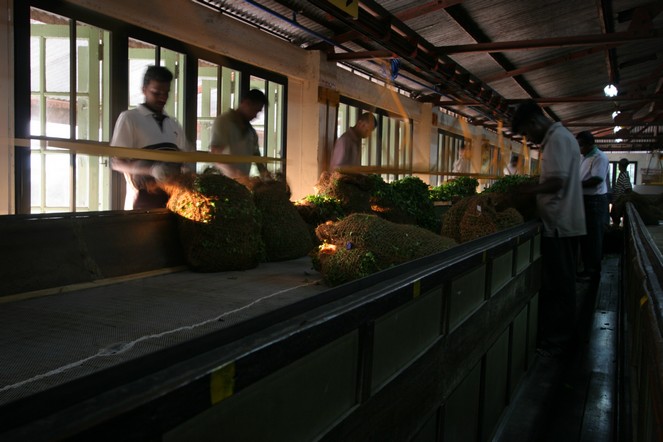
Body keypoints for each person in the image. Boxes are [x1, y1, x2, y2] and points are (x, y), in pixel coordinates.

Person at [511, 100, 586, 357]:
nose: (528, 138)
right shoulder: (560, 137)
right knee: (560, 283)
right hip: (561, 223)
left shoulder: (556, 139)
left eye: (526, 133)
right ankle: (559, 337)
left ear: (533, 123)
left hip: (560, 225)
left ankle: (559, 341)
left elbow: (556, 181)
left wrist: (526, 190)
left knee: (561, 285)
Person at [111, 66, 192, 210]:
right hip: (143, 201)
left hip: (173, 200)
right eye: (156, 93)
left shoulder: (173, 124)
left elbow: (186, 158)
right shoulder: (130, 118)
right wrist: (150, 170)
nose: (163, 97)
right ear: (144, 90)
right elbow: (117, 163)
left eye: (166, 93)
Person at [210, 89, 271, 179]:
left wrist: (266, 176)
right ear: (246, 103)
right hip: (221, 182)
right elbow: (216, 153)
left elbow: (257, 158)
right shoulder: (224, 122)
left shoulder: (251, 132)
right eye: (255, 111)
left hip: (241, 184)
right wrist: (237, 175)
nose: (255, 116)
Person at [576, 131, 609, 280]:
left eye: (581, 145)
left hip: (595, 201)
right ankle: (587, 268)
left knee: (593, 237)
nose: (579, 148)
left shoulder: (599, 157)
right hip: (584, 200)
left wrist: (574, 184)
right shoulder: (584, 156)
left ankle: (593, 272)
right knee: (585, 237)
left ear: (589, 144)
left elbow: (597, 179)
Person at [611, 158, 633, 225]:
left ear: (621, 166)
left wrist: (622, 198)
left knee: (615, 215)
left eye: (619, 165)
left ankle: (616, 228)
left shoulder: (624, 176)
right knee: (613, 215)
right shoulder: (621, 174)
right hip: (616, 200)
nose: (618, 166)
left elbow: (628, 189)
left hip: (619, 201)